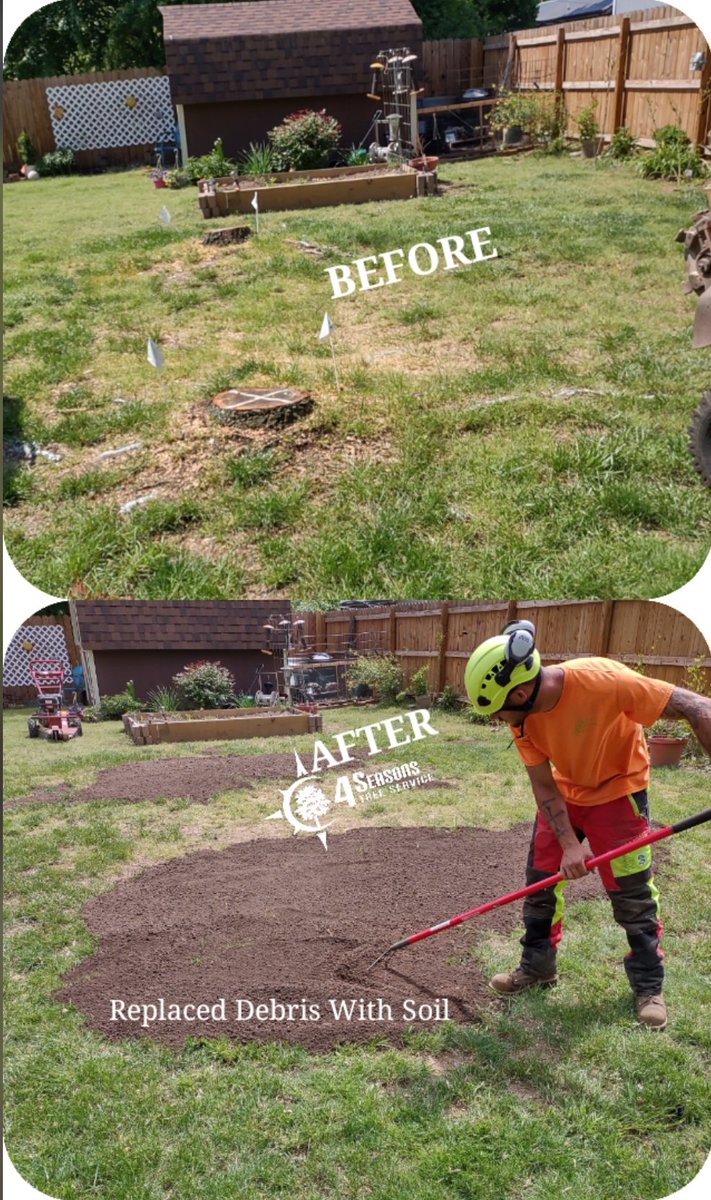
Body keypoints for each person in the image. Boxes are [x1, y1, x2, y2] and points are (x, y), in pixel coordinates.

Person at [464, 622, 711, 1030]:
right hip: (564, 797)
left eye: (498, 709)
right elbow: (543, 784)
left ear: (521, 692)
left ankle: (649, 986)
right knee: (540, 883)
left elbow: (697, 707)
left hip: (620, 796)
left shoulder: (605, 680)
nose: (498, 718)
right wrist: (568, 844)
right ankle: (538, 966)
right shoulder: (522, 720)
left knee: (632, 896)